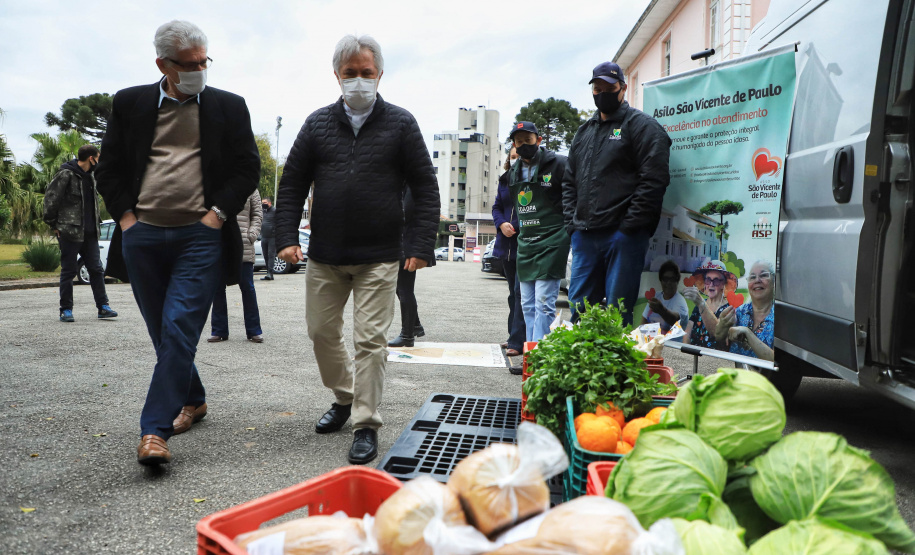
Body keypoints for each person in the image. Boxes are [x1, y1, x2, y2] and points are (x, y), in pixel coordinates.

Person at [95, 20, 260, 466]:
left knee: (179, 326)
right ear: (162, 65)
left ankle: (154, 431)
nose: (199, 70)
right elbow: (109, 168)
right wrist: (127, 219)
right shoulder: (130, 103)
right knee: (163, 332)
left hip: (199, 237)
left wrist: (216, 215)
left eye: (204, 61)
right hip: (143, 235)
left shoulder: (229, 106)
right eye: (189, 65)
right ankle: (194, 399)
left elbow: (248, 168)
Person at [275, 35, 439, 465]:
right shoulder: (316, 124)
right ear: (337, 76)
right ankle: (345, 396)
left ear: (380, 74)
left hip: (379, 256)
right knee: (321, 333)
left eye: (367, 73)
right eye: (351, 73)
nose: (359, 81)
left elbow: (425, 186)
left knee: (370, 341)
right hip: (325, 255)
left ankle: (366, 423)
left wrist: (420, 243)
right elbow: (292, 183)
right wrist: (285, 237)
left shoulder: (401, 124)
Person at [562, 62, 672, 325]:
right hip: (585, 236)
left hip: (623, 237)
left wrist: (630, 227)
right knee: (580, 310)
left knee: (617, 313)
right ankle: (581, 354)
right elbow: (569, 182)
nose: (602, 93)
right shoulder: (583, 132)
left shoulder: (643, 126)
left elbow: (654, 180)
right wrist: (572, 226)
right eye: (597, 89)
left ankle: (615, 354)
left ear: (623, 88)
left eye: (609, 88)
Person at [508, 122, 570, 342]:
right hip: (526, 242)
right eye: (519, 141)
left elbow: (573, 196)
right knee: (526, 304)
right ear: (514, 145)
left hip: (553, 239)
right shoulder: (513, 172)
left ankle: (539, 353)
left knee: (544, 302)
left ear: (539, 140)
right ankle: (531, 348)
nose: (524, 144)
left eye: (528, 140)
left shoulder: (559, 164)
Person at [43, 145, 117, 322]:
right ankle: (65, 310)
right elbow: (51, 199)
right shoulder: (66, 175)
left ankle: (103, 307)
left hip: (90, 233)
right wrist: (54, 224)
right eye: (98, 158)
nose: (99, 161)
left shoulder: (91, 176)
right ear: (91, 158)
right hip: (70, 232)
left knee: (96, 270)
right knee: (69, 271)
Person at [208, 190, 265, 343]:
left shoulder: (250, 187)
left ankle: (254, 330)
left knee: (248, 288)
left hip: (243, 244)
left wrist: (251, 234)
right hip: (219, 242)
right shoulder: (217, 184)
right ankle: (219, 330)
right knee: (217, 288)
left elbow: (257, 214)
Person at [492, 145, 526, 371]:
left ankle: (517, 342)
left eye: (519, 156)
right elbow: (496, 207)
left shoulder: (530, 180)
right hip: (506, 246)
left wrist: (514, 225)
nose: (515, 159)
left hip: (524, 244)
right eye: (512, 156)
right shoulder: (504, 180)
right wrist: (501, 223)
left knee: (520, 293)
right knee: (512, 295)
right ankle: (513, 336)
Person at [388, 188, 433, 348]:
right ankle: (414, 326)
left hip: (407, 243)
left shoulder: (411, 184)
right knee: (400, 288)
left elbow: (405, 212)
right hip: (405, 241)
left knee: (404, 289)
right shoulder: (406, 183)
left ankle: (407, 335)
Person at [715, 260, 775, 361]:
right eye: (752, 277)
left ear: (774, 281)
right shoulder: (739, 311)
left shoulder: (781, 317)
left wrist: (748, 333)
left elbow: (775, 360)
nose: (757, 280)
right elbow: (718, 336)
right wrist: (722, 325)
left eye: (763, 275)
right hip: (733, 370)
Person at [682, 259, 735, 350]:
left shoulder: (729, 309)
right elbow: (687, 334)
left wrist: (701, 304)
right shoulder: (699, 305)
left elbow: (717, 334)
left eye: (716, 280)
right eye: (708, 279)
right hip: (693, 355)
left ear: (723, 284)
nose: (711, 284)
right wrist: (686, 351)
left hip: (712, 358)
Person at [640, 260, 688, 337]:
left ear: (677, 280)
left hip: (671, 343)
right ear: (661, 281)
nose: (668, 283)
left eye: (672, 279)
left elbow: (675, 321)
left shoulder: (680, 301)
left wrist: (661, 310)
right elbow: (643, 321)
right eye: (665, 279)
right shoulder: (656, 296)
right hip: (652, 340)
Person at [260, 196, 276, 280]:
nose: (263, 204)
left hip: (272, 237)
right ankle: (268, 273)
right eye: (262, 203)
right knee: (265, 255)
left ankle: (270, 273)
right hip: (264, 237)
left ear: (270, 203)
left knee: (271, 255)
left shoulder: (275, 211)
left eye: (265, 203)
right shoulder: (262, 212)